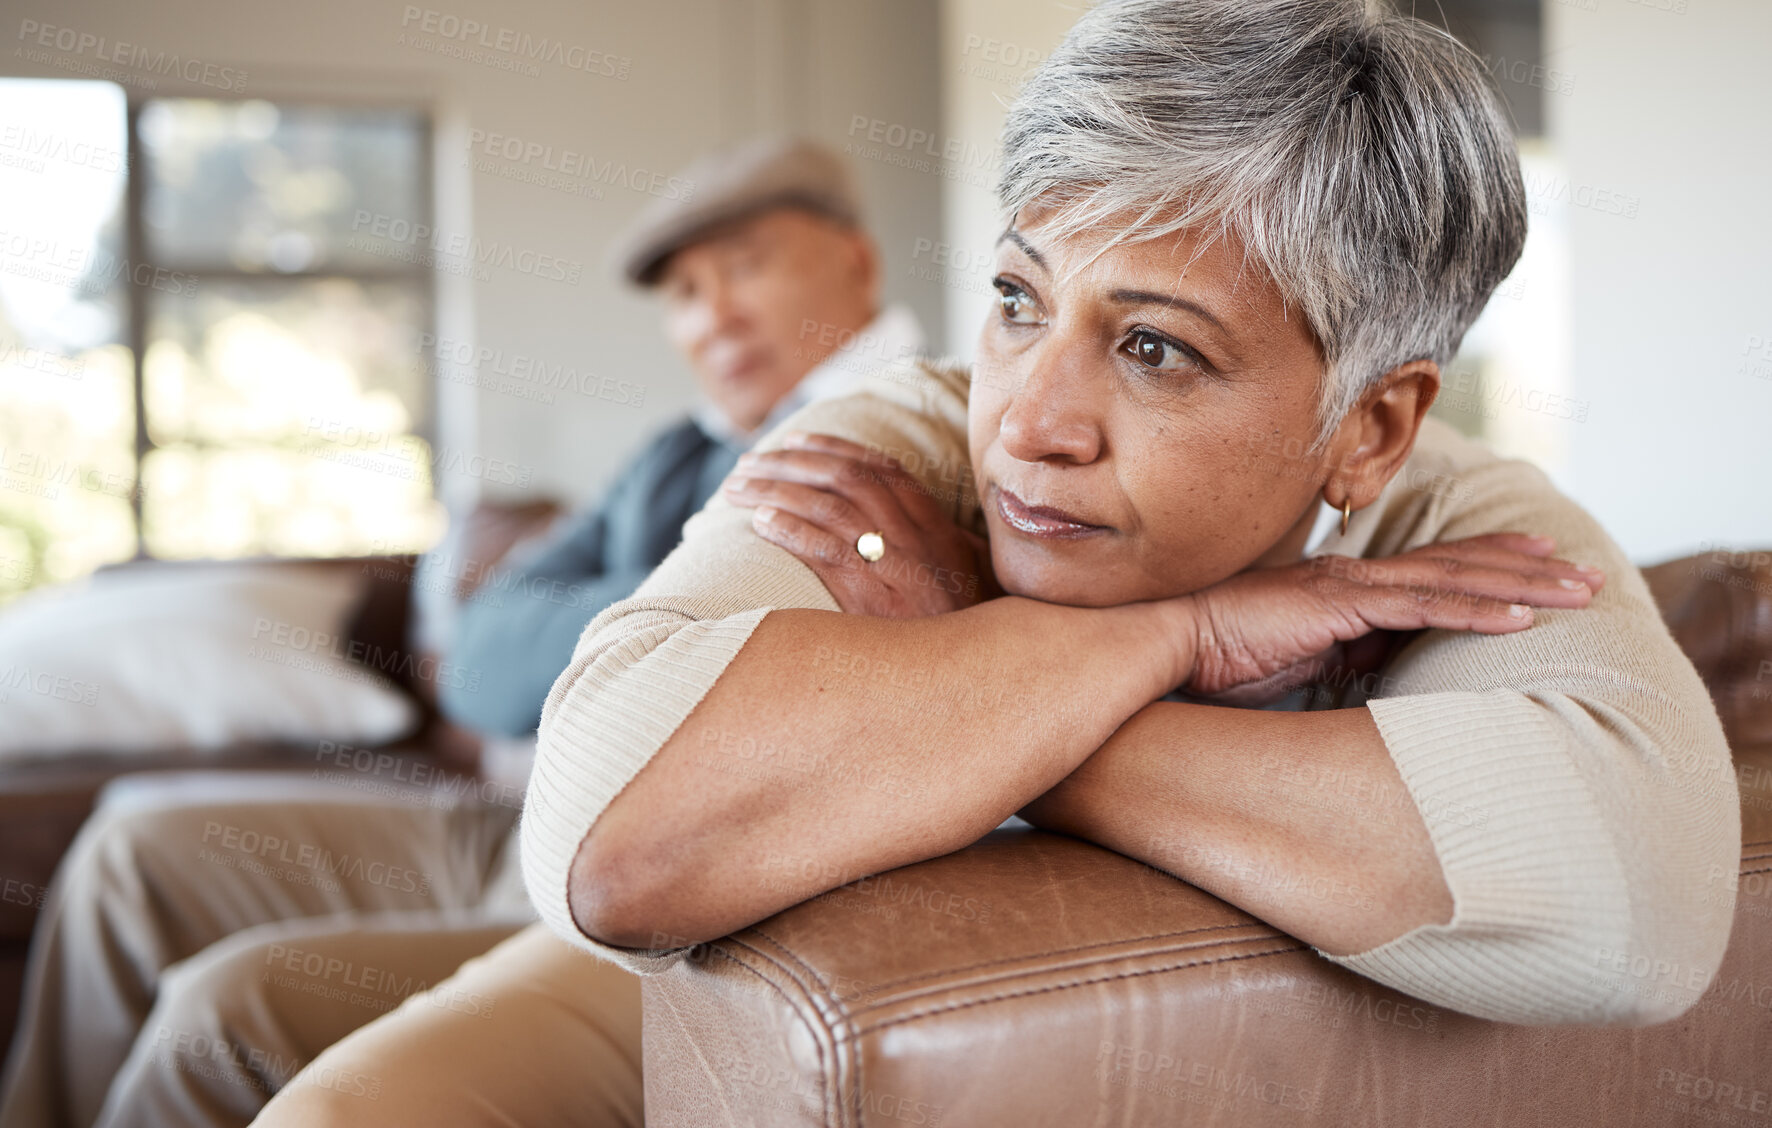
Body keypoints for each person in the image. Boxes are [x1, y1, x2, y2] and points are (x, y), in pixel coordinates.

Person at [249, 0, 1736, 1122]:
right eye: (1021, 299)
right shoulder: (900, 441)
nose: (1027, 423)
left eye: (1155, 348)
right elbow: (610, 840)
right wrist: (1171, 638)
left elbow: (1650, 911)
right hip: (731, 957)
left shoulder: (1468, 536)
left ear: (1371, 425)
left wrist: (993, 684)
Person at [0, 136, 923, 1128]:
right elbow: (481, 665)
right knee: (131, 848)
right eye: (686, 292)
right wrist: (666, 601)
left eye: (745, 266)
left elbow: (708, 694)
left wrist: (631, 615)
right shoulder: (678, 451)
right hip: (510, 829)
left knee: (222, 1014)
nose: (713, 317)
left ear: (855, 262)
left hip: (634, 887)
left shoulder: (888, 437)